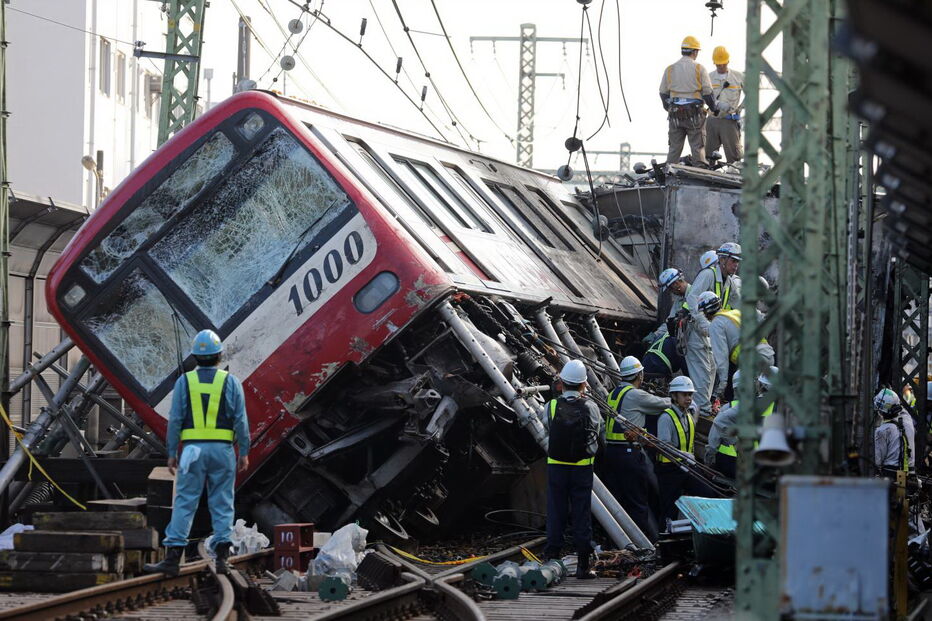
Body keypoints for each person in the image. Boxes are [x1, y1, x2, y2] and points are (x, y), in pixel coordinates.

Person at [144, 330, 250, 577]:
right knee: (222, 502)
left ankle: (172, 559)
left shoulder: (185, 382)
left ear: (195, 357)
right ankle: (222, 559)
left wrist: (172, 452)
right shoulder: (230, 382)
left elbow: (175, 420)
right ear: (219, 356)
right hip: (223, 451)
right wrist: (244, 451)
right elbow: (241, 421)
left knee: (185, 502)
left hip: (192, 451)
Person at [544, 360, 604, 579]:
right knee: (581, 515)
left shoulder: (551, 406)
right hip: (582, 469)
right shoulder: (591, 407)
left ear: (562, 382)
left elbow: (547, 428)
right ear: (583, 385)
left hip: (556, 467)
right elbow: (598, 432)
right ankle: (583, 566)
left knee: (556, 512)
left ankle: (551, 560)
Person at [604, 356, 670, 543]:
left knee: (620, 501)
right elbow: (663, 404)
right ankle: (644, 545)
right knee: (638, 501)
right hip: (629, 455)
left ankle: (620, 542)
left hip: (611, 454)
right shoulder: (635, 395)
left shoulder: (613, 394)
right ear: (639, 375)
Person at [654, 376, 716, 523]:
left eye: (690, 394)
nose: (688, 398)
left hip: (686, 467)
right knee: (669, 510)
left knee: (708, 493)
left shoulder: (687, 415)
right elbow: (663, 445)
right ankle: (665, 534)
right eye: (684, 394)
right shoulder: (666, 418)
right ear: (674, 396)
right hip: (669, 470)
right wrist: (682, 454)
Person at [659, 36, 716, 167]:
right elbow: (708, 93)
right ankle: (699, 173)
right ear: (694, 52)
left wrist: (668, 108)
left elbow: (663, 93)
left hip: (675, 114)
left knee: (674, 149)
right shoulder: (699, 68)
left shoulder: (670, 69)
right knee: (697, 148)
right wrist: (714, 108)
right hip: (695, 115)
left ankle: (670, 173)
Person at [708, 303, 775, 402]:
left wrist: (722, 385)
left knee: (742, 399)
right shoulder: (735, 313)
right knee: (765, 393)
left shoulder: (715, 324)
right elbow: (761, 319)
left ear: (706, 313)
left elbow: (721, 356)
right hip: (768, 353)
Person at [680, 291, 719, 418]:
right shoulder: (699, 317)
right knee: (702, 377)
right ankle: (702, 409)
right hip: (697, 347)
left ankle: (704, 405)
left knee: (711, 372)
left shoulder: (702, 315)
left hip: (704, 346)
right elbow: (708, 330)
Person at [706, 46, 745, 163]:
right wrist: (716, 103)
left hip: (729, 122)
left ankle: (734, 173)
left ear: (728, 61)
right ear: (714, 63)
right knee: (708, 158)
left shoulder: (738, 77)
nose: (721, 66)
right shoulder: (708, 77)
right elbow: (702, 95)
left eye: (723, 64)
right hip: (712, 120)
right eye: (718, 65)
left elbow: (752, 93)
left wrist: (740, 108)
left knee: (734, 160)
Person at [688, 242, 742, 315]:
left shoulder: (729, 282)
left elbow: (741, 305)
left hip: (716, 321)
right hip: (702, 321)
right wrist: (702, 321)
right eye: (733, 261)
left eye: (737, 261)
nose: (736, 265)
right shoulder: (708, 274)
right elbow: (692, 298)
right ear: (722, 260)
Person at [874, 388, 914, 471]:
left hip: (891, 473)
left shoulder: (882, 431)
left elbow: (878, 461)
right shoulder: (907, 419)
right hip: (910, 472)